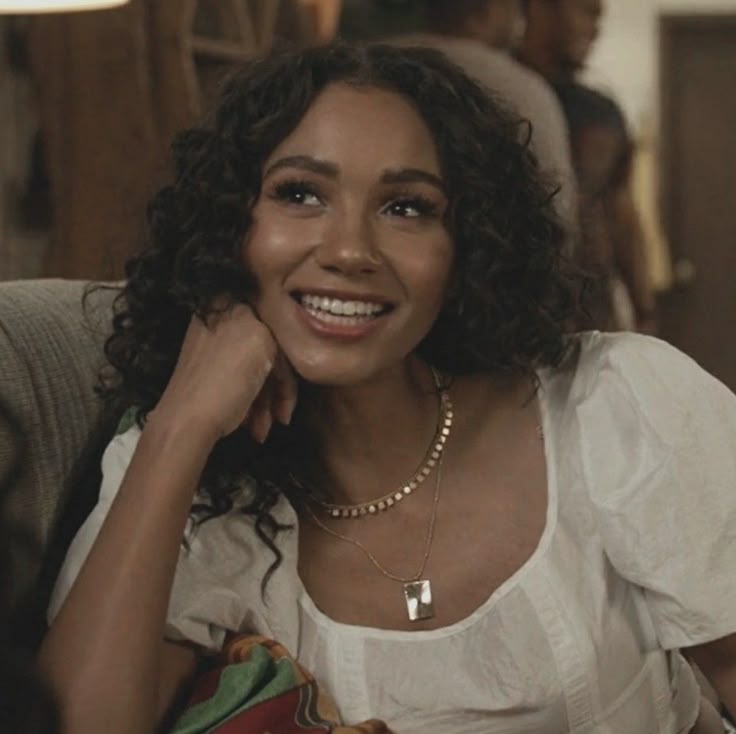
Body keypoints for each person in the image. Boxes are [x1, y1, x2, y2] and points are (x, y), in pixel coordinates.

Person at [37, 42, 736, 734]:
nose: (349, 251)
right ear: (229, 229)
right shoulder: (190, 487)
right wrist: (180, 424)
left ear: (466, 246)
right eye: (300, 194)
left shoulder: (613, 407)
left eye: (406, 207)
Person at [518, 0, 657, 332]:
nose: (595, 28)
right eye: (586, 11)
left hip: (589, 312)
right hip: (515, 308)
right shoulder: (500, 93)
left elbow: (620, 212)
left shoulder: (601, 112)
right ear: (540, 8)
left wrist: (644, 309)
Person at [390, 0, 578, 237]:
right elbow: (558, 211)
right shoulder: (524, 89)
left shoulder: (374, 67)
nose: (519, 21)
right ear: (489, 10)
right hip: (495, 262)